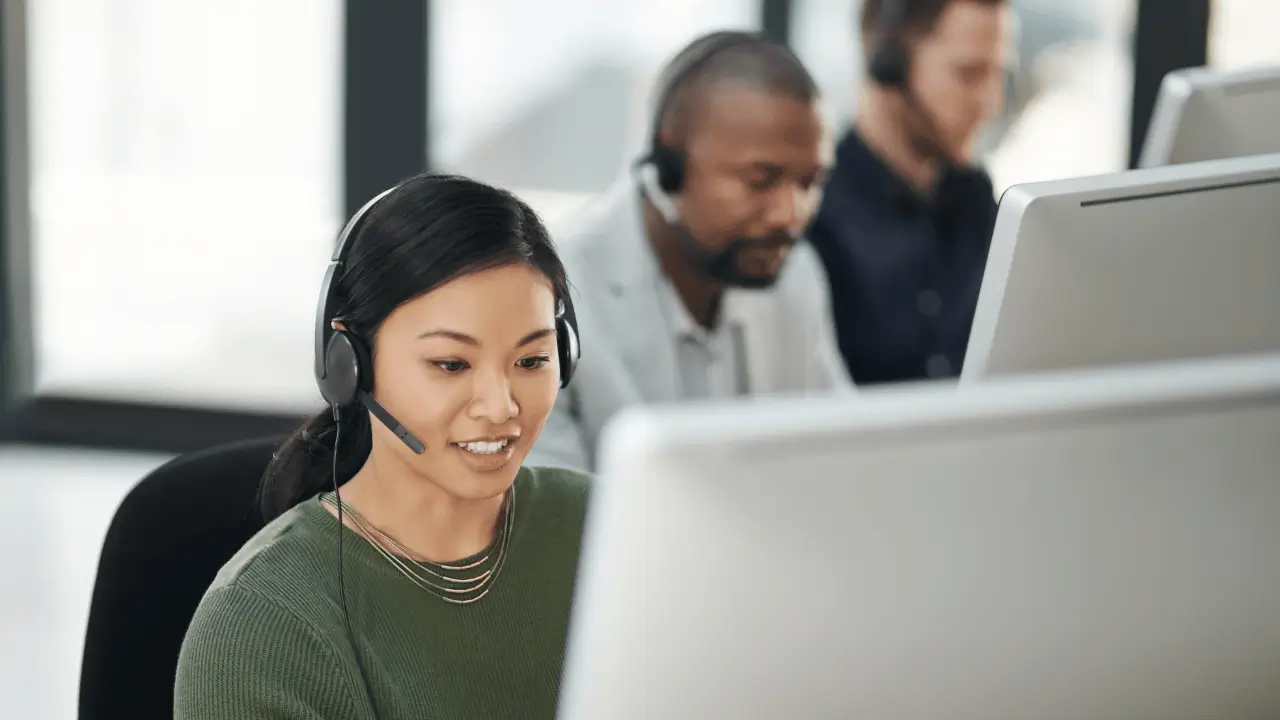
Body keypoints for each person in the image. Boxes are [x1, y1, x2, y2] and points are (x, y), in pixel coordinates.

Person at [174, 174, 589, 719]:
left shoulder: (608, 528)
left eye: (531, 361)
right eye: (451, 364)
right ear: (350, 364)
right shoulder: (262, 619)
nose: (501, 406)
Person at [527, 31, 852, 473]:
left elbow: (845, 457)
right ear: (668, 167)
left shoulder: (796, 277)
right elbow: (551, 519)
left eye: (810, 183)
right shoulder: (547, 295)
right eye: (761, 179)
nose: (791, 214)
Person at [807, 0, 1012, 385]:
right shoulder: (816, 214)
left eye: (998, 73)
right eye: (969, 74)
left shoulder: (976, 197)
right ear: (888, 66)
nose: (991, 104)